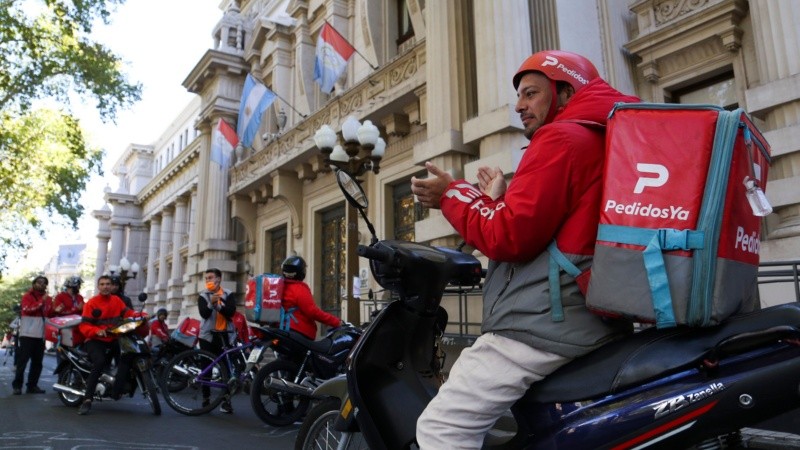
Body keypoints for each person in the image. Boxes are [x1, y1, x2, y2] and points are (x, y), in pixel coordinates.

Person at [410, 50, 639, 448]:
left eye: (531, 93)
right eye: (520, 96)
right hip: (591, 313)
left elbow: (509, 237)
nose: (519, 105)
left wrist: (450, 194)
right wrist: (496, 199)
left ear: (565, 92)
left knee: (442, 427)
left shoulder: (562, 138)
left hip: (543, 322)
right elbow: (550, 228)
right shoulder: (602, 136)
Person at [76, 275, 137, 415]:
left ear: (112, 286)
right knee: (99, 362)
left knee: (127, 356)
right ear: (98, 287)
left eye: (108, 284)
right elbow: (84, 326)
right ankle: (87, 400)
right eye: (102, 284)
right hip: (95, 340)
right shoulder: (91, 303)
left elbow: (128, 312)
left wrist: (141, 315)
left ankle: (118, 389)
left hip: (113, 338)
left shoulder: (116, 300)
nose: (105, 286)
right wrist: (97, 331)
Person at [198, 268, 236, 413]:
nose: (208, 280)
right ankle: (206, 399)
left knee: (226, 369)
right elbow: (204, 314)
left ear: (218, 279)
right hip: (207, 336)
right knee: (206, 368)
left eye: (210, 277)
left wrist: (218, 305)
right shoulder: (203, 295)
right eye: (206, 278)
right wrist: (210, 304)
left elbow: (231, 312)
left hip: (224, 336)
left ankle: (226, 401)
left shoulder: (228, 294)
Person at [280, 256, 343, 340]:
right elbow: (312, 311)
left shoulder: (279, 286)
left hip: (281, 328)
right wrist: (336, 322)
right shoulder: (299, 288)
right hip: (297, 331)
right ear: (300, 272)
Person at [11, 276, 55, 395]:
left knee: (37, 362)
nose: (42, 285)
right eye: (39, 282)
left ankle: (32, 386)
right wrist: (42, 301)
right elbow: (28, 309)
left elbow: (49, 314)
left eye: (44, 283)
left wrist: (56, 310)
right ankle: (17, 386)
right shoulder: (27, 296)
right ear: (34, 283)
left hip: (40, 334)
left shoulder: (49, 299)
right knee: (22, 361)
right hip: (27, 334)